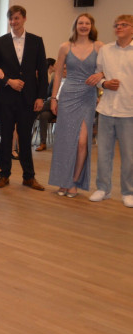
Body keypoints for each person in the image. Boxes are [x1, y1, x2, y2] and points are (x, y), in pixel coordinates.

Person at [0, 5, 48, 191]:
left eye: (17, 18)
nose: (14, 22)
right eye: (11, 19)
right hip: (5, 98)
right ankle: (4, 175)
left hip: (28, 98)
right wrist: (8, 81)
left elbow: (43, 72)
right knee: (6, 137)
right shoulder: (0, 42)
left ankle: (29, 177)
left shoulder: (36, 41)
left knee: (25, 138)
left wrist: (41, 97)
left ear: (24, 19)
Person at [48, 14, 103, 197]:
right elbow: (57, 74)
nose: (84, 26)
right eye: (81, 23)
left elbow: (109, 68)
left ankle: (74, 180)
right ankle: (64, 182)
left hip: (87, 96)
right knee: (65, 142)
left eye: (87, 23)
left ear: (91, 26)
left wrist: (101, 74)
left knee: (82, 142)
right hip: (68, 96)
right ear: (75, 25)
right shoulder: (65, 46)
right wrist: (54, 98)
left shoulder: (99, 46)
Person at [89, 15, 133, 208]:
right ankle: (103, 189)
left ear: (132, 29)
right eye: (116, 25)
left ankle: (128, 192)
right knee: (103, 153)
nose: (119, 27)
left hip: (129, 111)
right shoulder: (105, 50)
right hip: (106, 109)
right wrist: (104, 83)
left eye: (124, 25)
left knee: (129, 155)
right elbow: (97, 75)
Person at [35, 57, 57, 151]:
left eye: (65, 69)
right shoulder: (54, 79)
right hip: (51, 106)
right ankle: (43, 143)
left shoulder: (69, 82)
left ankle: (34, 111)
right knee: (43, 115)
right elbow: (47, 93)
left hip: (63, 107)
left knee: (51, 102)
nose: (64, 71)